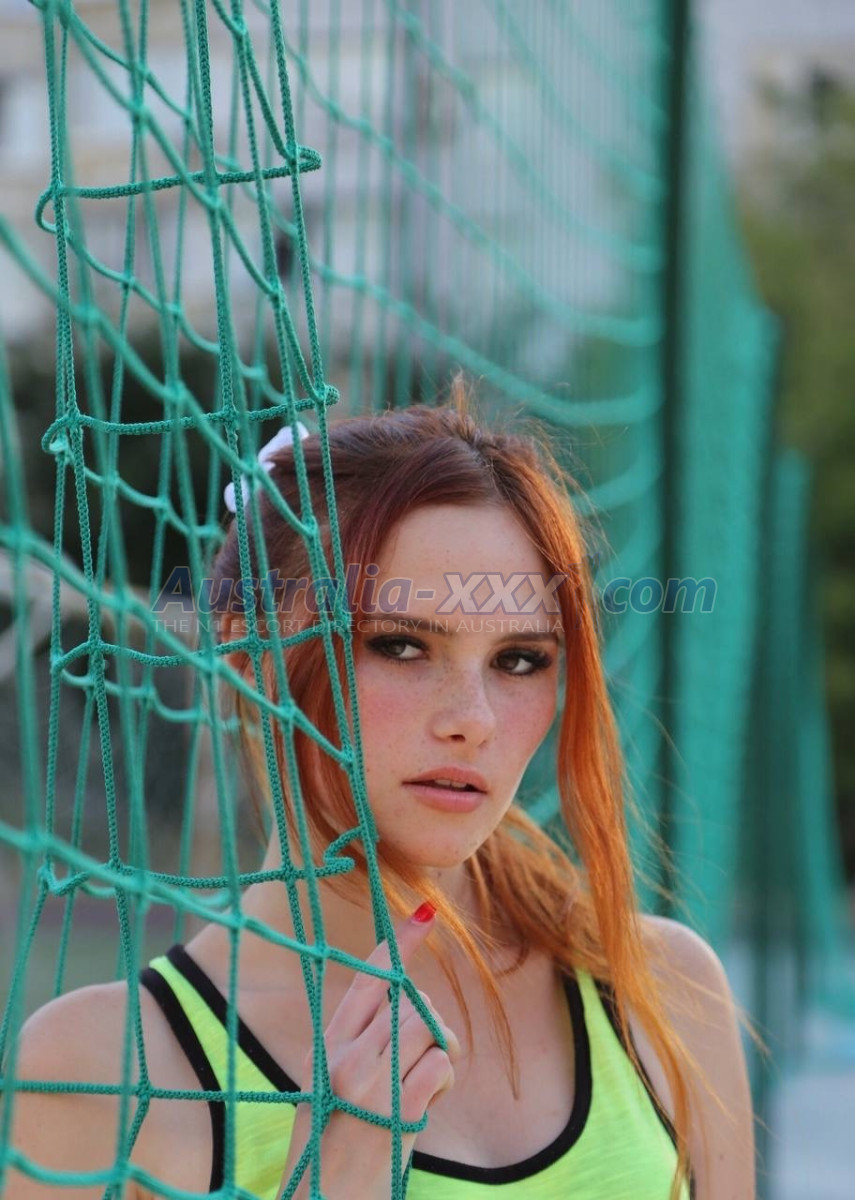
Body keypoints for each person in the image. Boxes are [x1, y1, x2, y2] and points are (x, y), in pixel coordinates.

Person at [5, 384, 756, 1199]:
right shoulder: (106, 1071)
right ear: (249, 655)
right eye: (399, 645)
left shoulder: (660, 989)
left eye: (518, 660)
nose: (473, 721)